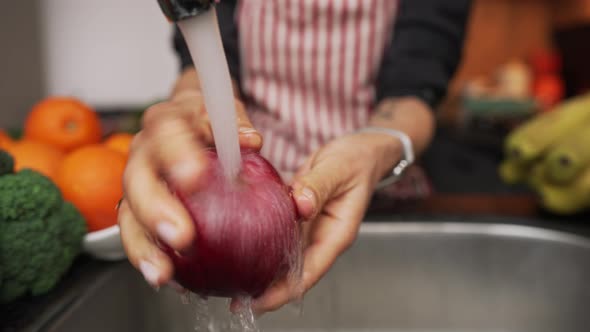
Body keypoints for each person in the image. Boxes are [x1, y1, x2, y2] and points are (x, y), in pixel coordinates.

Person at [118, 0, 473, 315]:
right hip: (256, 191)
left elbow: (415, 84)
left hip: (384, 191)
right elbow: (204, 56)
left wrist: (376, 146)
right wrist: (189, 108)